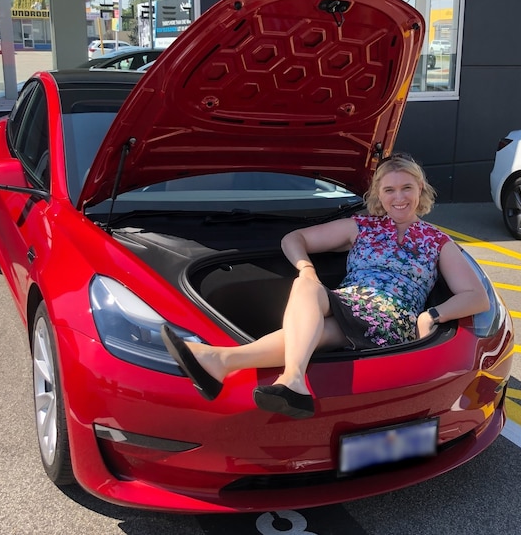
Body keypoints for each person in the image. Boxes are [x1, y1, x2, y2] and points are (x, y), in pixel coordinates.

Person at [162, 153, 491, 419]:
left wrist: (432, 315)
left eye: (406, 188)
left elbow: (476, 297)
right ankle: (239, 367)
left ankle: (268, 373)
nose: (399, 198)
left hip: (393, 319)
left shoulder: (438, 241)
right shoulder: (361, 226)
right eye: (389, 190)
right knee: (310, 316)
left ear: (420, 189)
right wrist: (307, 268)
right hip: (352, 305)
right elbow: (295, 238)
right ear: (378, 194)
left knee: (307, 294)